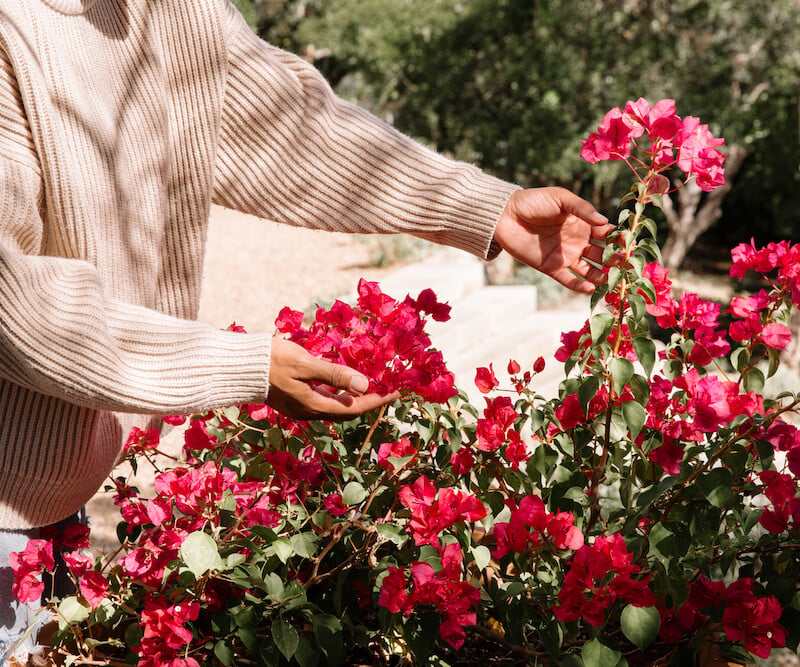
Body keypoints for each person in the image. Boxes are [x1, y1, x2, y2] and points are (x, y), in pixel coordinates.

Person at [0, 0, 611, 662]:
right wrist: (246, 365)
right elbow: (17, 301)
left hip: (47, 507)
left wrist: (483, 207)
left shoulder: (166, 10)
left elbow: (293, 133)